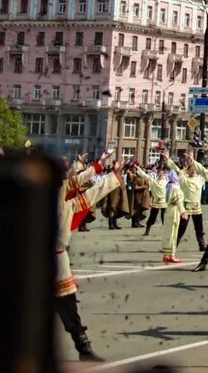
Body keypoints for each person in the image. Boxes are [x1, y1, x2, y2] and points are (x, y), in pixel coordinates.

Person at [56, 150, 125, 361]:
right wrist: (103, 169)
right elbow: (82, 184)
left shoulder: (64, 199)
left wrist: (103, 169)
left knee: (67, 307)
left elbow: (86, 188)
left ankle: (83, 348)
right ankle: (83, 348)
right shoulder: (60, 196)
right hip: (45, 261)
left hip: (55, 261)